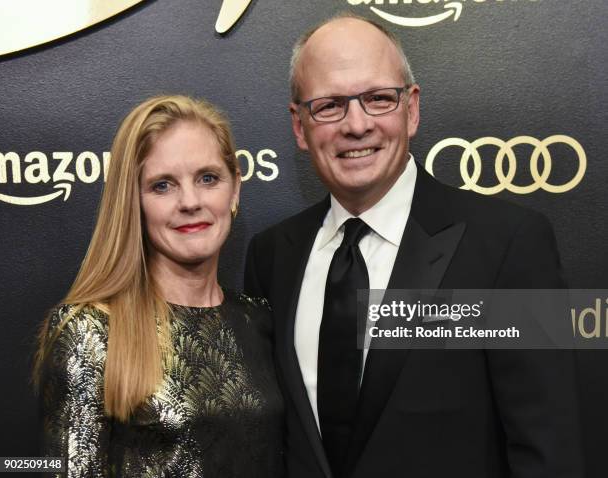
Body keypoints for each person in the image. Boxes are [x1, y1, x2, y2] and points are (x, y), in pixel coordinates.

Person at [244, 14, 584, 478]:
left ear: (412, 109)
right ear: (300, 126)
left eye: (378, 99)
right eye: (329, 106)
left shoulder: (509, 245)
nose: (356, 124)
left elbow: (550, 449)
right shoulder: (272, 257)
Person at [34, 95, 284, 477]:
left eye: (208, 178)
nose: (190, 201)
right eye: (162, 185)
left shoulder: (258, 318)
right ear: (133, 201)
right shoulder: (90, 331)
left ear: (234, 188)